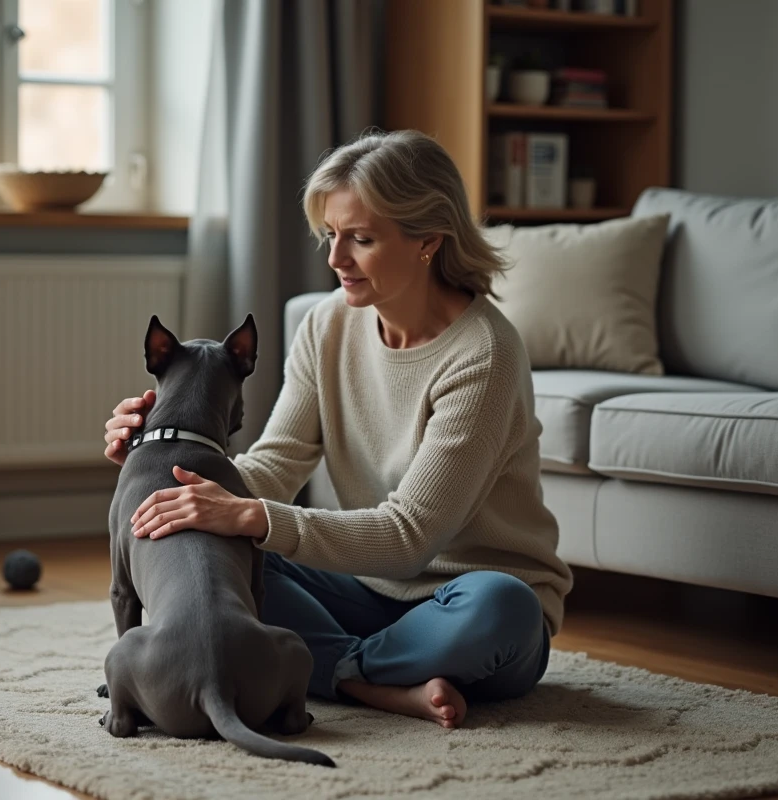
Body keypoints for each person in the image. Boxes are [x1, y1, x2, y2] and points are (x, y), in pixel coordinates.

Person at [102, 129, 572, 729]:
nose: (335, 259)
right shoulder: (326, 325)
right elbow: (274, 464)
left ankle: (340, 674)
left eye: (361, 239)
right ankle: (378, 680)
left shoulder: (484, 353)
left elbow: (410, 537)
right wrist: (170, 466)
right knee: (223, 555)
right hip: (356, 589)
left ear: (428, 240)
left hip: (461, 602)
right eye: (331, 235)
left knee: (504, 606)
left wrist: (252, 515)